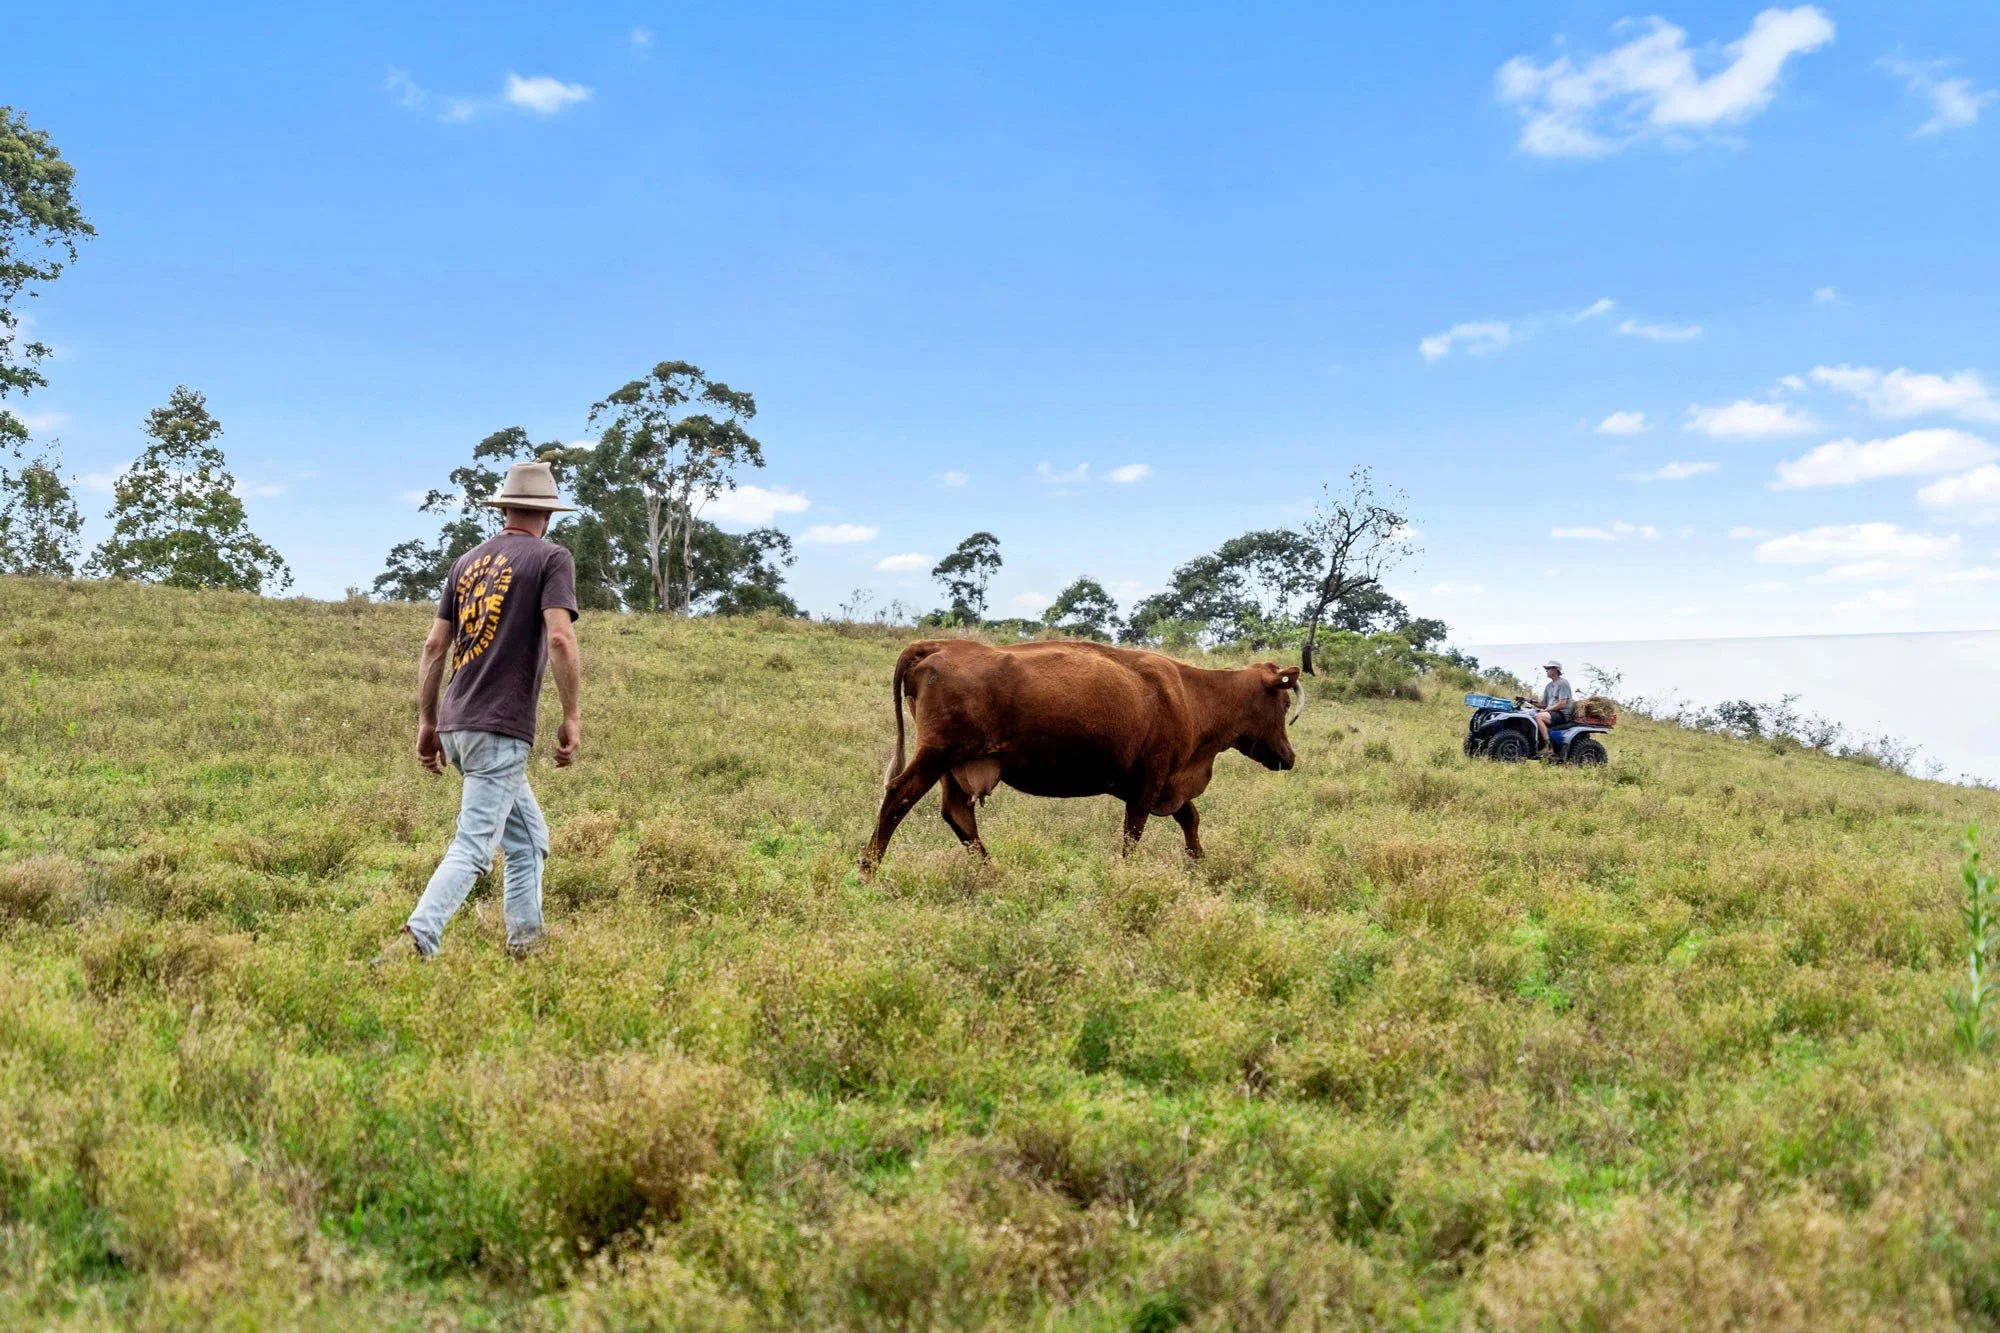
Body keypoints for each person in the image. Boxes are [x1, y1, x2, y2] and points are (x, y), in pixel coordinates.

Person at [389, 460, 582, 961]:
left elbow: (435, 647)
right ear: (549, 515)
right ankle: (418, 940)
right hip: (500, 726)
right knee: (473, 847)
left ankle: (526, 945)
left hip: (457, 721)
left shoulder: (466, 561)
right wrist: (572, 715)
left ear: (505, 509)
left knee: (528, 841)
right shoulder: (551, 558)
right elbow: (560, 636)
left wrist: (428, 723)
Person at [1531, 659, 1572, 749]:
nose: (1546, 670)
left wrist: (1545, 710)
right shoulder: (1549, 686)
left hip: (1562, 713)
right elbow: (1543, 704)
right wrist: (1531, 701)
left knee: (1538, 717)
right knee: (1531, 714)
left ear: (1556, 670)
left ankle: (1548, 745)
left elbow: (1562, 704)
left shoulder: (1563, 683)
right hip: (1552, 712)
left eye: (1548, 668)